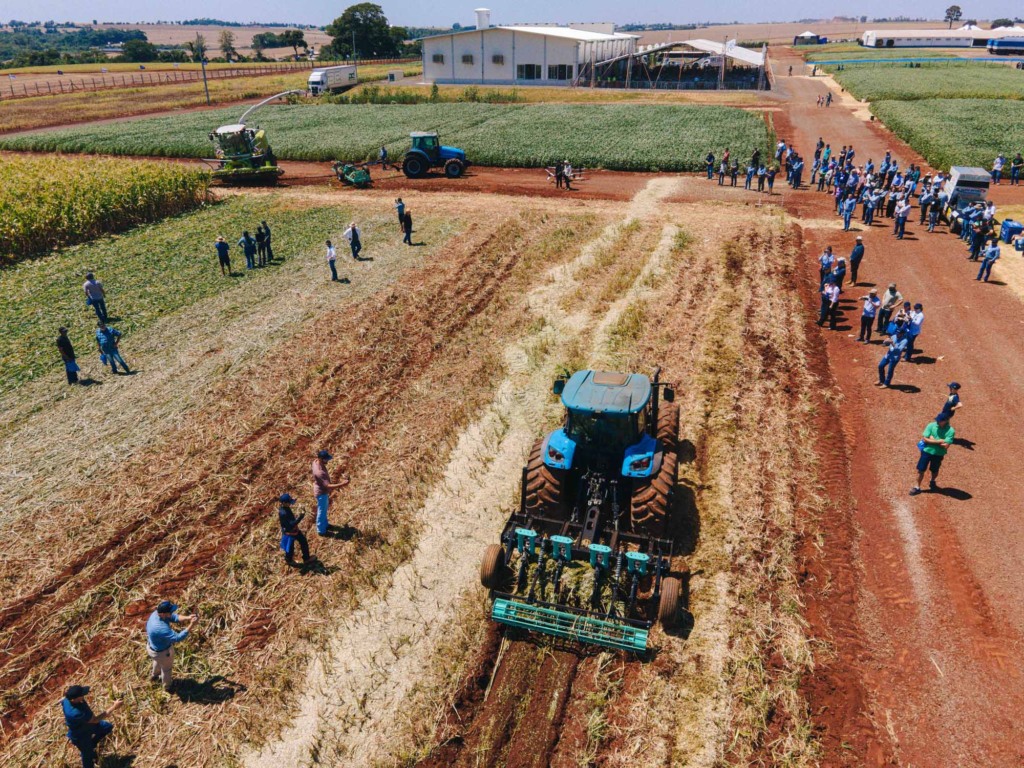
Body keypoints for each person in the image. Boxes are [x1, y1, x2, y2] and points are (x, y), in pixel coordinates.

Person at [62, 685, 122, 768]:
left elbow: (63, 700)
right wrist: (114, 707)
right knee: (88, 758)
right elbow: (95, 720)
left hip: (89, 726)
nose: (84, 696)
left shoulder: (67, 700)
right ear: (74, 699)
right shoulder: (76, 713)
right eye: (82, 695)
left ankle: (92, 745)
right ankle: (90, 751)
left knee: (107, 727)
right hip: (81, 735)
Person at [146, 600, 197, 692]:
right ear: (163, 614)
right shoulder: (161, 628)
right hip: (162, 652)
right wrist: (191, 625)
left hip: (152, 649)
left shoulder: (156, 614)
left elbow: (173, 617)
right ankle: (168, 687)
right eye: (170, 612)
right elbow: (177, 638)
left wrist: (188, 617)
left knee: (157, 661)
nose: (172, 613)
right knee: (166, 670)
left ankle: (154, 676)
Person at [910, 414, 955, 495]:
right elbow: (924, 439)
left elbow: (946, 446)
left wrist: (932, 440)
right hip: (926, 451)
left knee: (935, 470)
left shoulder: (951, 431)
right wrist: (940, 441)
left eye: (940, 420)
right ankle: (917, 487)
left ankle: (932, 480)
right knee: (921, 469)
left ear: (946, 421)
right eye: (937, 420)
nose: (937, 421)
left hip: (938, 454)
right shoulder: (931, 425)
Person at [312, 449, 350, 536]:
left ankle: (325, 525)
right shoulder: (319, 472)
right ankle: (321, 530)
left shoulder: (315, 462)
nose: (328, 461)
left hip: (320, 489)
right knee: (321, 511)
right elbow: (328, 486)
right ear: (321, 459)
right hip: (321, 492)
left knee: (324, 509)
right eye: (326, 459)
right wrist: (342, 484)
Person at [278, 492, 314, 566]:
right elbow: (291, 525)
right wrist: (300, 517)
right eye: (289, 502)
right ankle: (290, 560)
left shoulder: (284, 507)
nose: (290, 504)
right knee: (291, 547)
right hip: (290, 531)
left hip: (291, 530)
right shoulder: (283, 513)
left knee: (302, 541)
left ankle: (306, 558)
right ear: (284, 503)